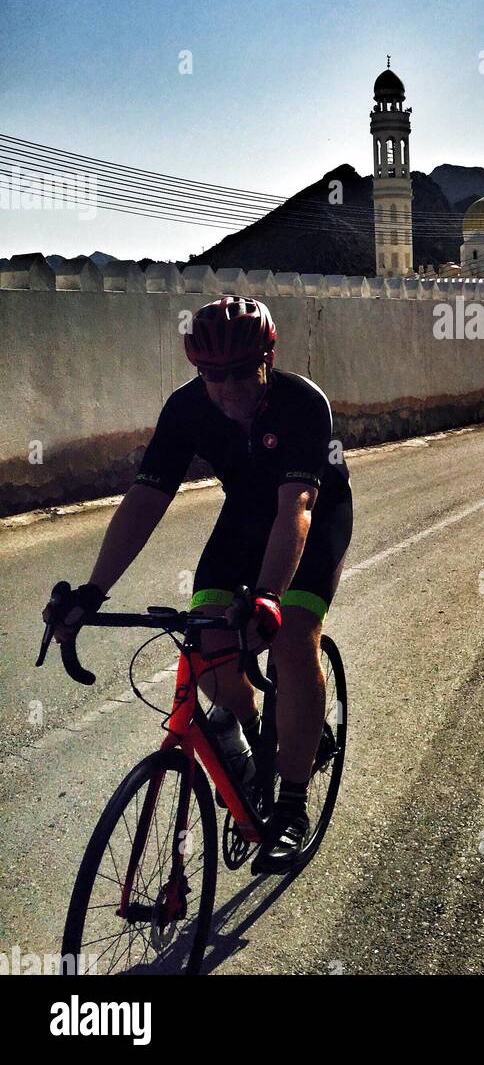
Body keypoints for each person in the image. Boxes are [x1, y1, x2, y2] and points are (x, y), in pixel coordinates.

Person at [43, 295, 353, 872]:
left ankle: (291, 805)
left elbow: (298, 507)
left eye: (241, 371)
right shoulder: (187, 409)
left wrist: (266, 597)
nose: (227, 386)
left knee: (291, 639)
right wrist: (91, 593)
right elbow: (145, 499)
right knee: (208, 645)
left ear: (267, 359)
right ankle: (262, 744)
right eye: (212, 375)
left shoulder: (300, 403)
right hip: (245, 518)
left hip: (312, 514)